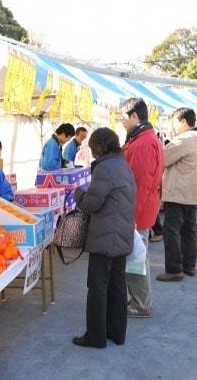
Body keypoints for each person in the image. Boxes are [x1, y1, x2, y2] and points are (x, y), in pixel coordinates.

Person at [72, 128, 136, 348]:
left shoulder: (105, 168)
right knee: (117, 285)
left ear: (98, 147)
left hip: (105, 236)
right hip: (121, 235)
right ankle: (117, 333)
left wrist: (78, 193)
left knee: (98, 286)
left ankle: (96, 336)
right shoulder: (122, 164)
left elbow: (91, 204)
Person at [157, 108, 197, 282]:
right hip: (193, 193)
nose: (173, 126)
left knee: (171, 231)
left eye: (175, 122)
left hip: (179, 193)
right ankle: (190, 265)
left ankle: (174, 269)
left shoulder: (184, 140)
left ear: (183, 121)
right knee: (190, 229)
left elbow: (162, 158)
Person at [120, 98, 163, 318]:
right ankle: (138, 300)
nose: (122, 123)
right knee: (137, 257)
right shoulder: (144, 138)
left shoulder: (143, 143)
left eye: (123, 118)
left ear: (134, 116)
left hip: (139, 211)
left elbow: (140, 184)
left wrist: (131, 217)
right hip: (143, 208)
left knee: (136, 258)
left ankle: (140, 304)